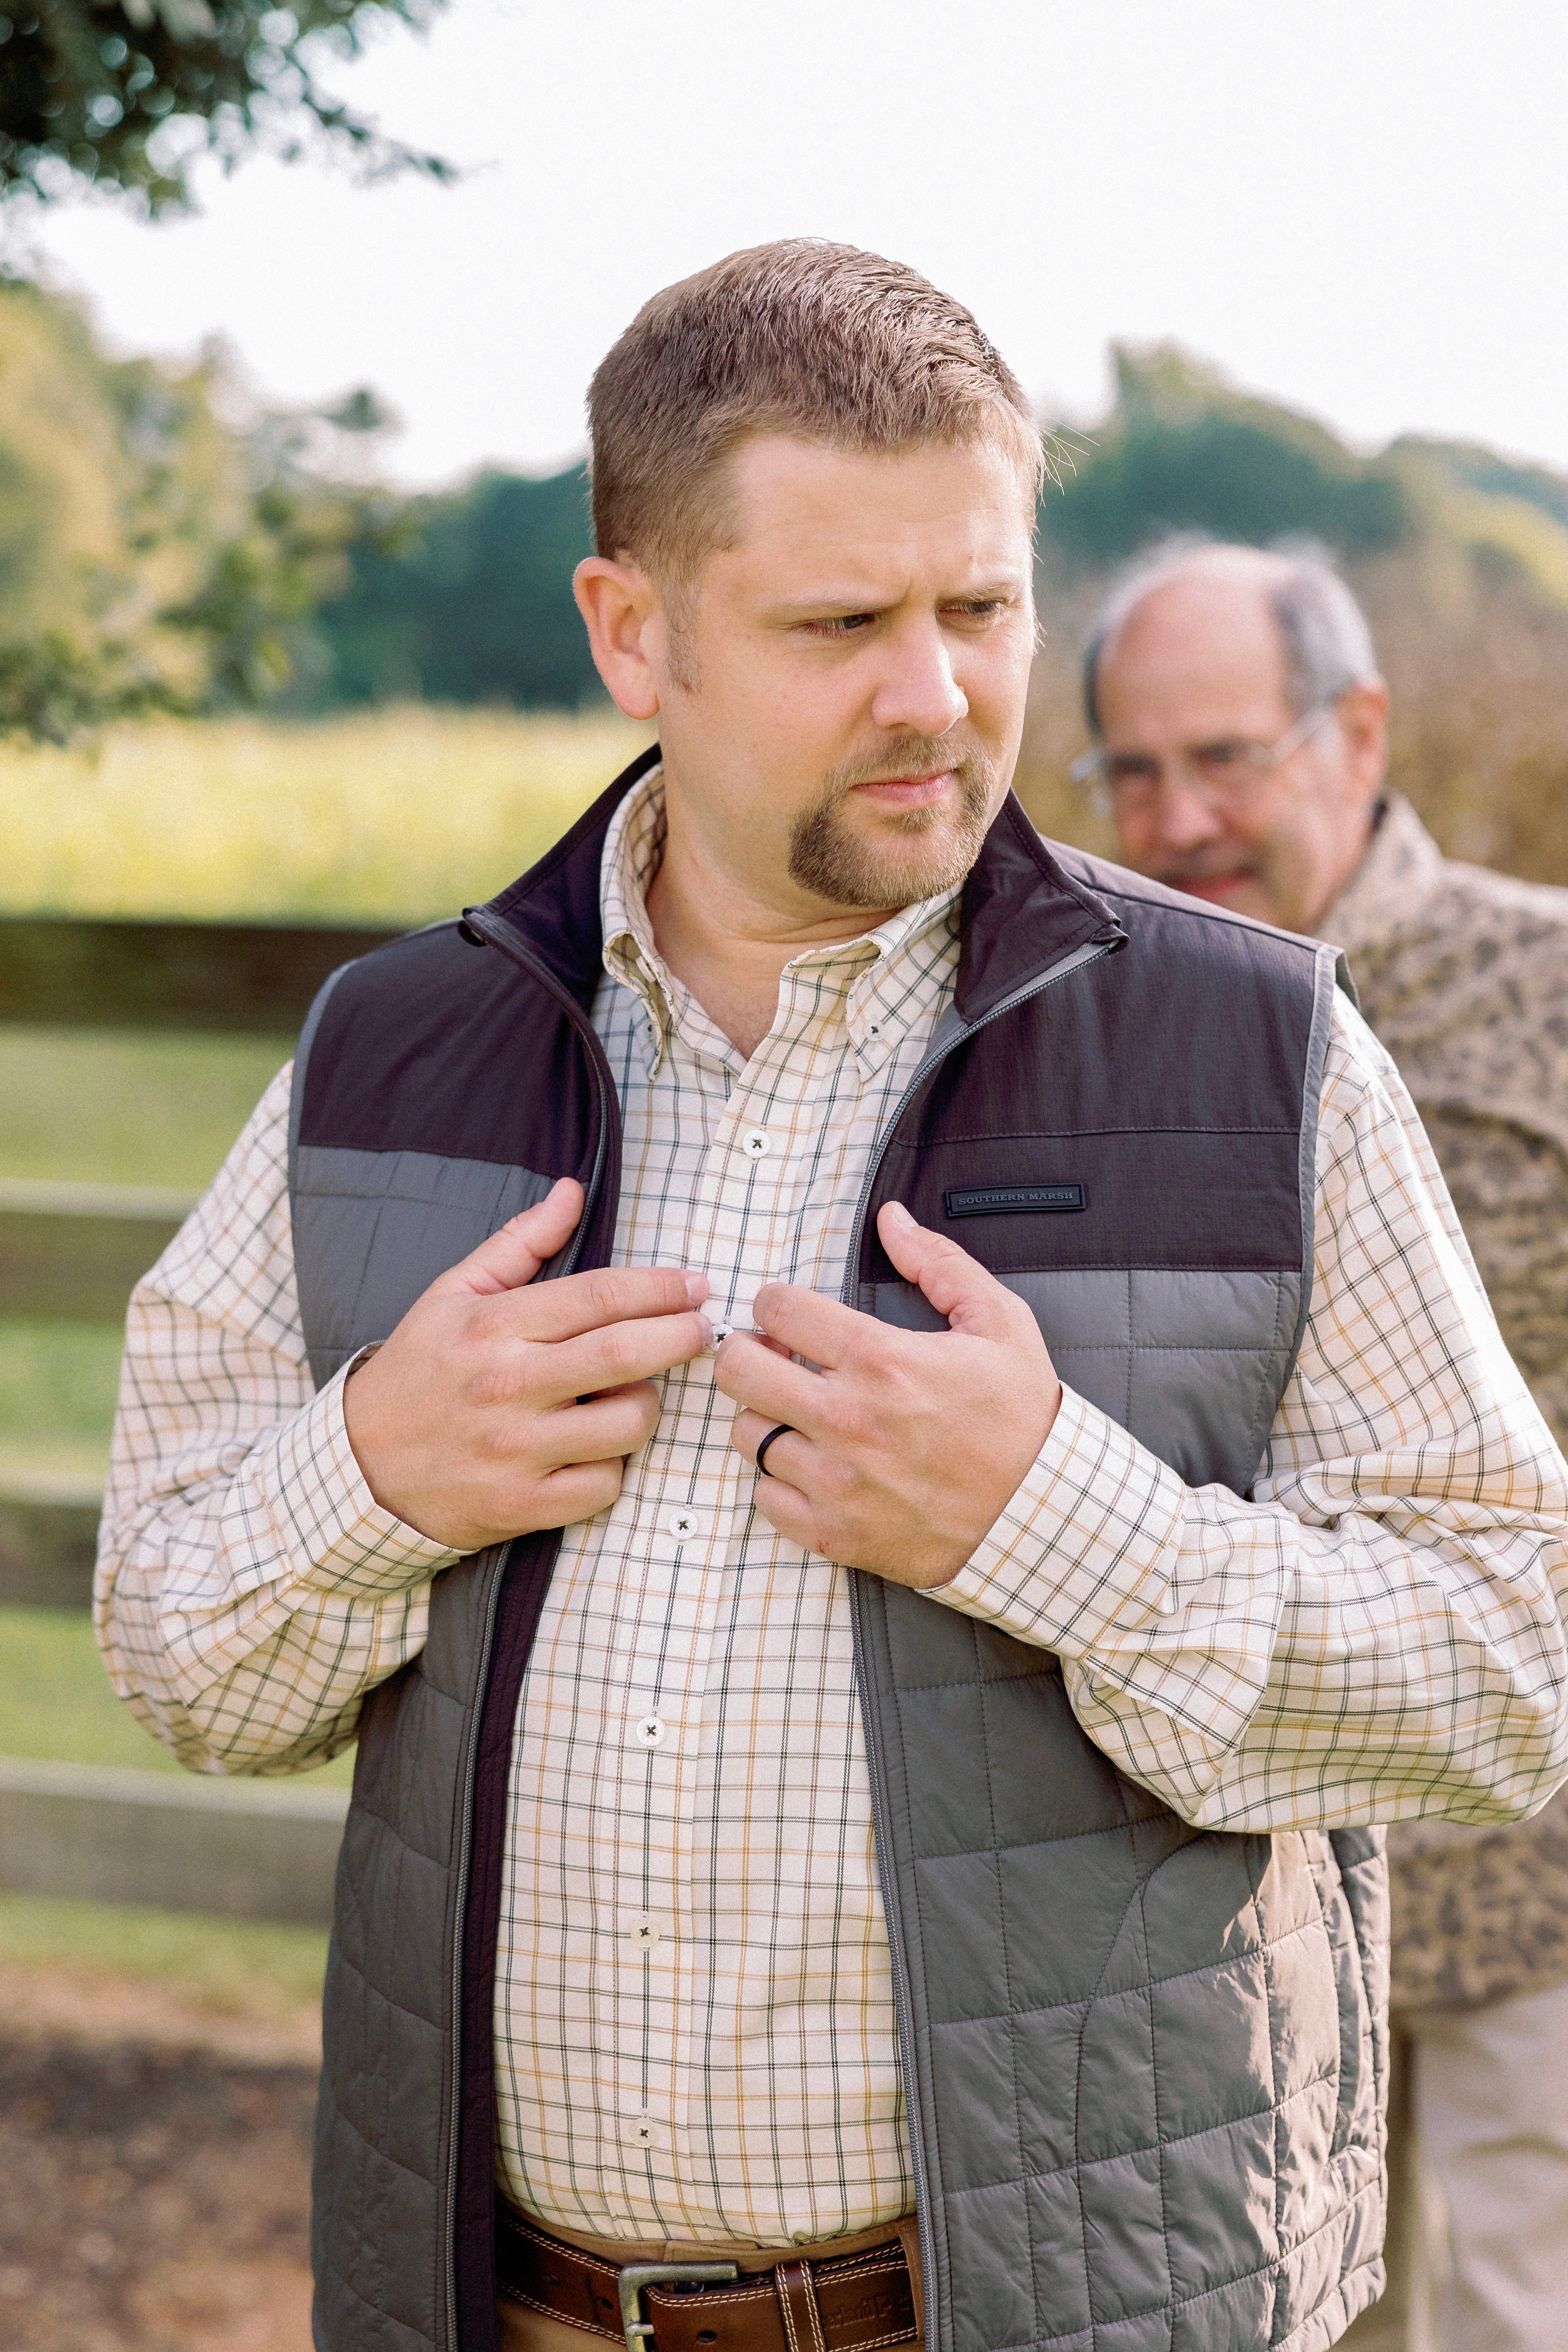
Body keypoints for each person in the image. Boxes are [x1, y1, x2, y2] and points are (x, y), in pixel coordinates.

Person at [96, 246, 1568, 2352]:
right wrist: (373, 1471)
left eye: (977, 607)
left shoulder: (1267, 1050)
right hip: (493, 2308)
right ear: (635, 631)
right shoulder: (387, 1048)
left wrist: (1057, 1519)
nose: (937, 693)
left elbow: (1513, 1661)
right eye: (839, 624)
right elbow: (169, 1647)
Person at [1081, 535, 1568, 2351]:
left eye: (1230, 756)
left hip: (1541, 1873)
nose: (1180, 813)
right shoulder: (1098, 1042)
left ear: (1356, 732)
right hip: (1229, 1892)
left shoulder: (1552, 993)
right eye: (1135, 771)